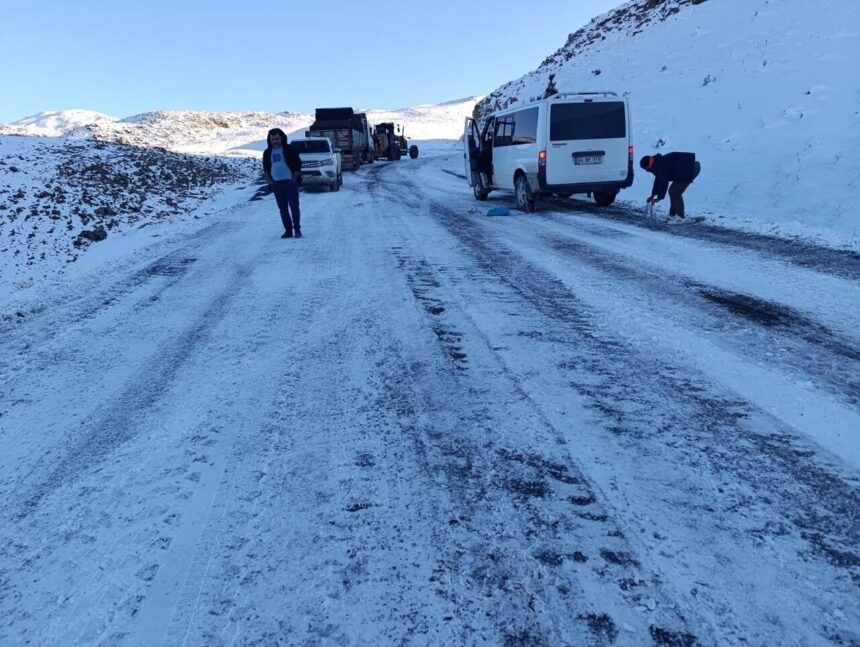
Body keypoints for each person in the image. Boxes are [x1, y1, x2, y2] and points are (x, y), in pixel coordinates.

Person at [262, 128, 303, 238]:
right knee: (283, 209)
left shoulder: (290, 149)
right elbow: (266, 169)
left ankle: (297, 230)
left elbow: (298, 164)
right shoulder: (267, 152)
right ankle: (288, 231)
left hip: (290, 183)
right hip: (276, 185)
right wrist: (271, 182)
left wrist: (294, 178)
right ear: (269, 140)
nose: (275, 141)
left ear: (282, 138)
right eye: (272, 139)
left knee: (294, 207)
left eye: (277, 139)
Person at [640, 152, 701, 222]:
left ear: (648, 165)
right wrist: (653, 195)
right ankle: (673, 215)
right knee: (673, 191)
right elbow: (659, 179)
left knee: (674, 192)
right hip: (685, 168)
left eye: (645, 168)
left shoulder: (659, 165)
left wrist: (659, 198)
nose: (646, 171)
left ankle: (680, 217)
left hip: (691, 167)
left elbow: (664, 181)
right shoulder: (657, 163)